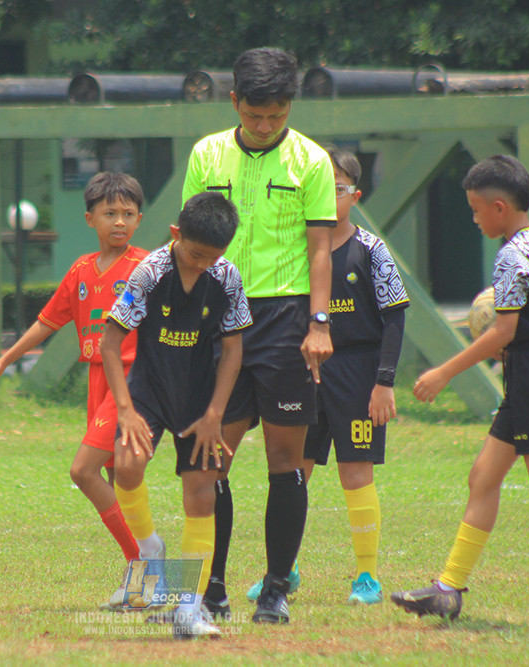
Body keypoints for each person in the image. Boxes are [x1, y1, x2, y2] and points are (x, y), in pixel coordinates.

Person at [391, 155, 529, 631]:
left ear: (498, 208)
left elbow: (502, 331)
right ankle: (448, 590)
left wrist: (443, 373)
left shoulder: (513, 253)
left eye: (475, 210)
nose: (473, 219)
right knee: (483, 476)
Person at [181, 46, 336, 624]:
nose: (265, 125)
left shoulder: (312, 162)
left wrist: (319, 323)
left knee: (284, 456)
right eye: (254, 114)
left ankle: (275, 588)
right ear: (234, 103)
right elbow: (192, 245)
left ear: (290, 105)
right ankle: (211, 588)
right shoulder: (206, 154)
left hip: (286, 319)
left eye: (276, 114)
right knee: (211, 457)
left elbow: (320, 249)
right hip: (221, 318)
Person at [0, 172, 148, 611]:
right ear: (90, 218)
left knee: (82, 471)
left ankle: (143, 562)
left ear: (140, 219)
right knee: (113, 479)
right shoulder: (80, 271)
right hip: (96, 381)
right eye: (110, 214)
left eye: (128, 214)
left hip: (130, 383)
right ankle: (141, 580)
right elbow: (46, 323)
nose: (120, 222)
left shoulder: (148, 267)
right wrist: (3, 361)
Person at [243, 149, 408, 605]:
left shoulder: (371, 250)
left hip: (358, 371)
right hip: (306, 368)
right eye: (321, 188)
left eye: (337, 188)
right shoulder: (298, 249)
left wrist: (384, 381)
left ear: (354, 195)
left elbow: (395, 317)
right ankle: (285, 570)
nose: (329, 197)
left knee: (356, 473)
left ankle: (367, 578)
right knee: (295, 469)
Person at [101, 192, 252, 639]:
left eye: (213, 257)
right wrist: (126, 412)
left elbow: (233, 351)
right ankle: (150, 550)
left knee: (201, 493)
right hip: (148, 393)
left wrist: (215, 415)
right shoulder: (149, 272)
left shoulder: (226, 278)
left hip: (200, 398)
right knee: (125, 467)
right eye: (195, 254)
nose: (202, 264)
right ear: (175, 235)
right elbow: (111, 344)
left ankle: (188, 608)